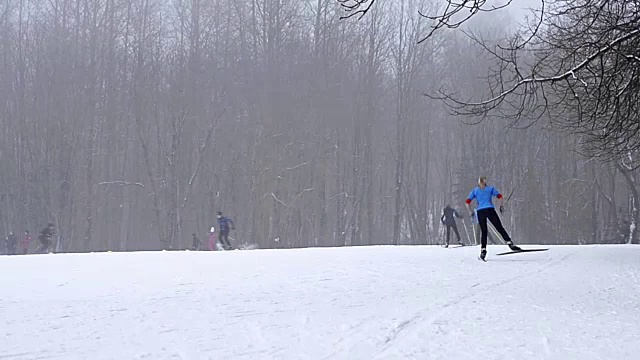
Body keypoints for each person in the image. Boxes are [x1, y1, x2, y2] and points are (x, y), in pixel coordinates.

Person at [465, 176, 520, 261]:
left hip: (480, 212)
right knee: (499, 227)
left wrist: (470, 211)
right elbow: (500, 196)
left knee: (484, 231)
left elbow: (467, 202)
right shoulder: (490, 189)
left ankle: (483, 250)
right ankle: (509, 243)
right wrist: (501, 205)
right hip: (490, 210)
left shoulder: (475, 191)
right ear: (485, 182)